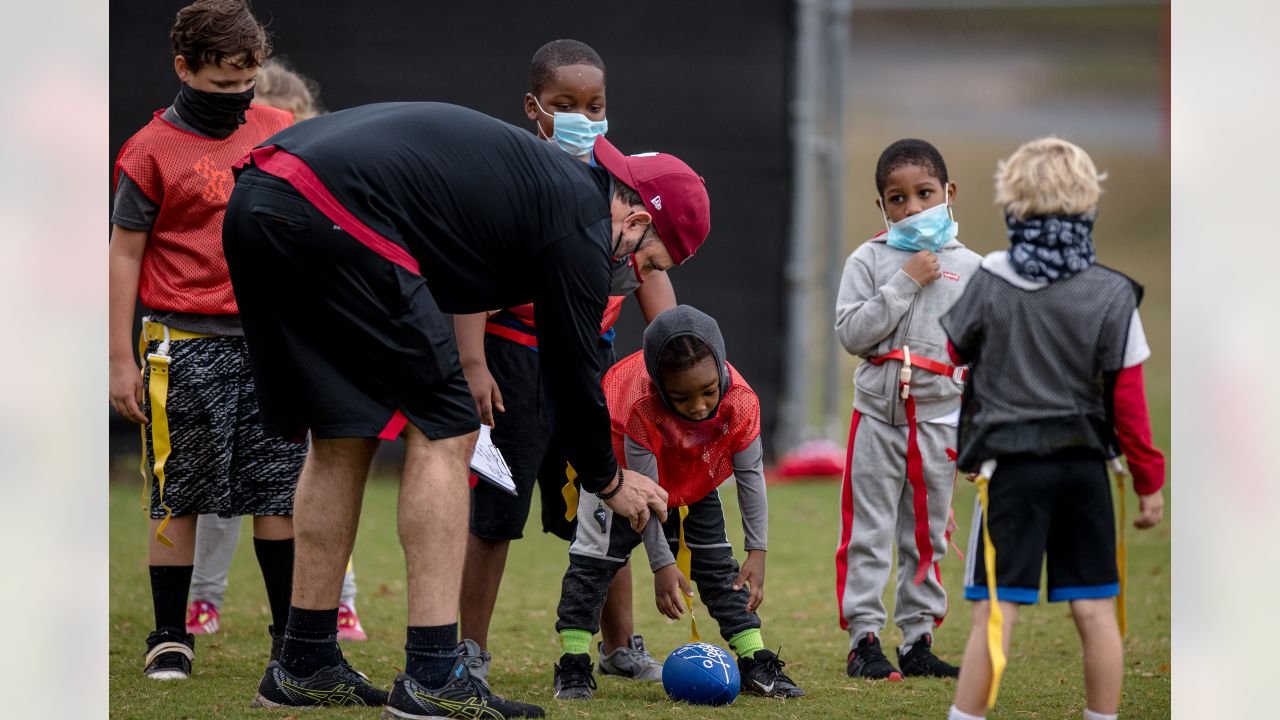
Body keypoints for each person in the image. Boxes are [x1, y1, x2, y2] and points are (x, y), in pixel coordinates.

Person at [220, 101, 710, 716]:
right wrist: (608, 479)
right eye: (650, 263)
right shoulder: (583, 219)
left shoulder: (545, 189)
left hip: (259, 202)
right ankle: (431, 675)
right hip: (330, 210)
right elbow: (569, 368)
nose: (634, 278)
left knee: (343, 433)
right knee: (448, 429)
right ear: (635, 219)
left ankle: (304, 661)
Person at [455, 38, 672, 684]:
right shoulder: (511, 180)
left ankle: (620, 645)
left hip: (593, 369)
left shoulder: (622, 185)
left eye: (595, 104)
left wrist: (677, 352)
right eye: (565, 104)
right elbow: (470, 276)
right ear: (534, 107)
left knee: (607, 507)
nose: (583, 115)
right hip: (515, 367)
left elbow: (650, 274)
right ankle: (469, 651)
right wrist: (473, 363)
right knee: (495, 515)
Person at [108, 0, 303, 681]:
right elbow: (124, 254)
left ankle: (293, 641)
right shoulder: (148, 149)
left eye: (245, 83)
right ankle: (170, 637)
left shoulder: (280, 130)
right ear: (182, 67)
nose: (236, 98)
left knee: (279, 492)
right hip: (182, 343)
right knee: (180, 492)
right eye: (221, 85)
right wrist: (116, 358)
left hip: (270, 344)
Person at [938, 137, 1165, 720]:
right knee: (1095, 610)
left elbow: (954, 347)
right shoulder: (1114, 293)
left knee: (997, 610)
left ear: (1012, 202)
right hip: (1085, 469)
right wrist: (1148, 482)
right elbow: (1129, 406)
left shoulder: (990, 279)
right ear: (1089, 202)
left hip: (1012, 470)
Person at [182, 56, 368, 643]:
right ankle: (202, 601)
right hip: (237, 349)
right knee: (217, 486)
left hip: (310, 349)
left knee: (326, 472)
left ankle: (340, 602)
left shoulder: (328, 182)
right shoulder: (230, 191)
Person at [552, 305, 804, 700]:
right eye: (682, 397)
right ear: (658, 385)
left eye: (708, 392)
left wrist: (758, 550)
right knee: (592, 564)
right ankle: (573, 664)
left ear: (720, 369)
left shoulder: (740, 401)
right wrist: (663, 565)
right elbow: (645, 497)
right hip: (622, 481)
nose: (700, 406)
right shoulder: (638, 404)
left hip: (692, 474)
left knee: (720, 567)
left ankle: (755, 660)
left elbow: (751, 476)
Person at [833, 139, 979, 680]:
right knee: (867, 531)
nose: (912, 208)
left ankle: (918, 639)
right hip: (877, 417)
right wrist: (903, 282)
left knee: (929, 532)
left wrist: (978, 429)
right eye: (897, 199)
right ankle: (863, 639)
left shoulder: (975, 270)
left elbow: (985, 353)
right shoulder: (868, 260)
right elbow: (852, 332)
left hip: (942, 421)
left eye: (924, 194)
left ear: (949, 193)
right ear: (882, 207)